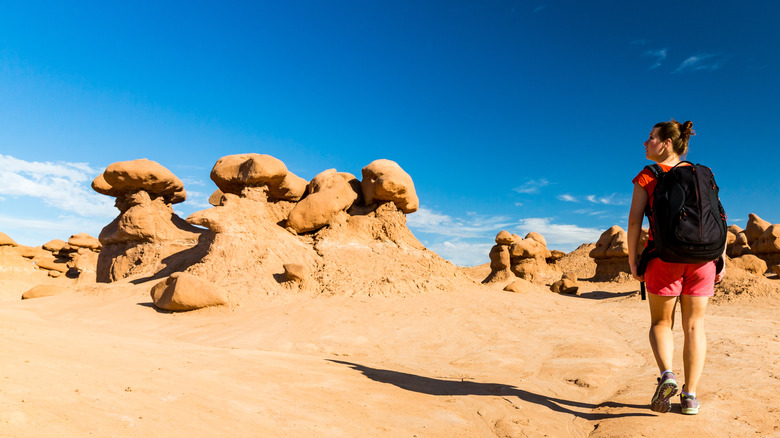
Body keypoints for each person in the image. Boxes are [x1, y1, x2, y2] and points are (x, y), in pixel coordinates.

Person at [627, 119, 725, 415]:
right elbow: (718, 216)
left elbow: (634, 221)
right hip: (704, 260)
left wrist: (634, 259)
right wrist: (722, 259)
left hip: (663, 258)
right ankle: (691, 396)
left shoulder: (648, 175)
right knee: (695, 326)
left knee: (661, 324)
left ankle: (667, 375)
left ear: (667, 143)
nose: (645, 143)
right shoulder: (702, 174)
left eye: (651, 138)